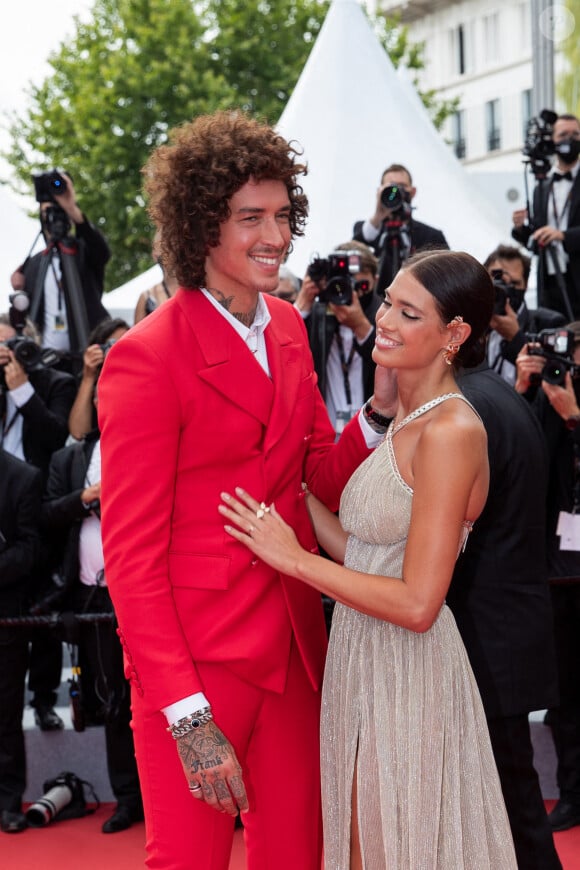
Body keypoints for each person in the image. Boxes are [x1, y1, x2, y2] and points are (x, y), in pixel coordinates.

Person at [98, 110, 391, 870]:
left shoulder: (292, 327)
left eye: (283, 215)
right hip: (197, 663)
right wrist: (188, 717)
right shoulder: (145, 358)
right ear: (201, 229)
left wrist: (382, 406)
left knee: (298, 857)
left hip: (294, 649)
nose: (276, 236)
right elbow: (129, 559)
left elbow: (318, 475)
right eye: (249, 218)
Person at [220, 249, 517, 868]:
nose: (383, 319)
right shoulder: (410, 416)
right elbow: (364, 552)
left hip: (408, 668)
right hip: (361, 660)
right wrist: (287, 495)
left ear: (453, 335)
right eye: (387, 301)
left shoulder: (452, 432)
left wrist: (294, 561)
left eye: (408, 313)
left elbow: (416, 603)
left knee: (392, 850)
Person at [450, 363, 561, 869]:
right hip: (505, 626)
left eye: (407, 311)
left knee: (512, 813)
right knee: (508, 807)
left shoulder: (467, 408)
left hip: (488, 637)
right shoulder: (493, 391)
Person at [43, 385, 143, 834]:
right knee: (113, 702)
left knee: (159, 698)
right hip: (91, 594)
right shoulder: (71, 459)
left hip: (145, 590)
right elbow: (47, 516)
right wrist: (88, 497)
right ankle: (128, 799)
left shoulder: (150, 446)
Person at [516, 324, 580, 833]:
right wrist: (525, 392)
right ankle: (574, 792)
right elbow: (522, 461)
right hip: (558, 571)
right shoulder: (547, 398)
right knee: (565, 694)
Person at [0, 310, 77, 731]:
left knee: (44, 611)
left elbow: (59, 438)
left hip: (42, 505)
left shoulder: (55, 383)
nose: (11, 356)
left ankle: (44, 700)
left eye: (15, 347)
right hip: (3, 510)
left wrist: (23, 393)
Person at [10, 171, 111, 373]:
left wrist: (71, 208)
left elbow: (102, 251)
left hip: (86, 357)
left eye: (57, 210)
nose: (52, 216)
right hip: (45, 361)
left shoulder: (82, 251)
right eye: (46, 211)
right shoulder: (35, 263)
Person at [295, 239, 383, 435]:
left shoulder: (385, 314)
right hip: (324, 428)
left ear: (375, 280)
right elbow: (285, 352)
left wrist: (361, 326)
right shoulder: (317, 313)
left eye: (358, 285)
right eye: (341, 284)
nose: (350, 293)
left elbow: (394, 367)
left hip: (373, 430)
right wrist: (302, 303)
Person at [0, 450, 43, 834]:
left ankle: (8, 801)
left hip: (6, 620)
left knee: (5, 714)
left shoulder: (23, 478)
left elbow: (30, 550)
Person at [512, 113, 580, 319]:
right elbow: (535, 239)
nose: (570, 139)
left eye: (575, 134)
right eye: (563, 134)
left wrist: (563, 236)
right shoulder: (541, 185)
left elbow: (559, 233)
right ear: (552, 140)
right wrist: (520, 228)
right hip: (548, 281)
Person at [353, 163, 448, 296]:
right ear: (380, 191)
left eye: (402, 187)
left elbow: (446, 277)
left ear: (413, 191)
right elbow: (357, 245)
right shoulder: (368, 228)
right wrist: (378, 215)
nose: (395, 192)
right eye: (390, 187)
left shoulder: (431, 236)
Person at [485, 243, 565, 385]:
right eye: (498, 280)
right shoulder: (470, 322)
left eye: (514, 284)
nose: (505, 290)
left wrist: (515, 338)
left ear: (526, 285)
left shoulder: (549, 324)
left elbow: (552, 382)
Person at [67, 318, 130, 442]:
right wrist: (88, 376)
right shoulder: (91, 381)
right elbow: (78, 433)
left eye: (125, 344)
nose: (117, 351)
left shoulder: (144, 376)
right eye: (111, 345)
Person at [133, 230, 178, 323]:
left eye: (171, 245)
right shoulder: (147, 297)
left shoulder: (198, 291)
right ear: (154, 255)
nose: (169, 251)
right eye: (163, 247)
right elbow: (136, 335)